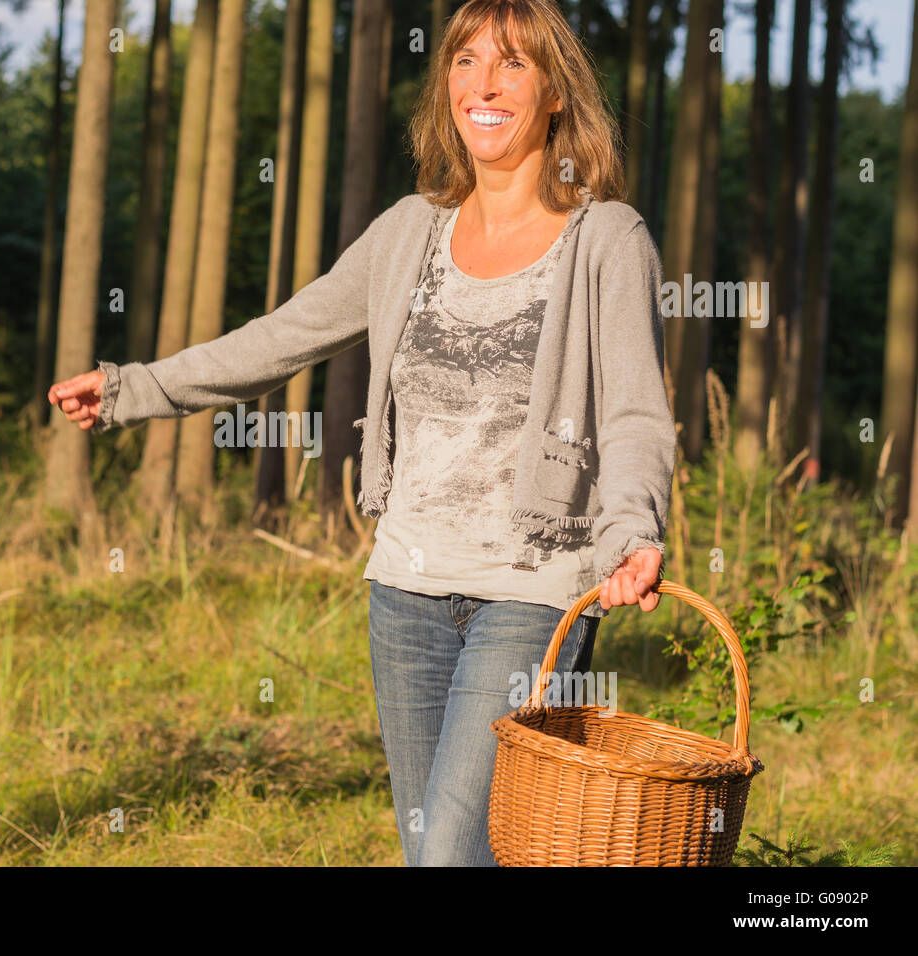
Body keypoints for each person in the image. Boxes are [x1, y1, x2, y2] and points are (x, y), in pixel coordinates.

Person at [49, 0, 674, 866]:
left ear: (557, 92)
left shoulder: (607, 239)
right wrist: (136, 387)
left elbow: (637, 413)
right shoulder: (409, 233)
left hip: (536, 595)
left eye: (512, 64)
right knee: (433, 856)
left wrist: (632, 532)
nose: (483, 84)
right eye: (464, 61)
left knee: (457, 853)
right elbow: (280, 338)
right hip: (404, 591)